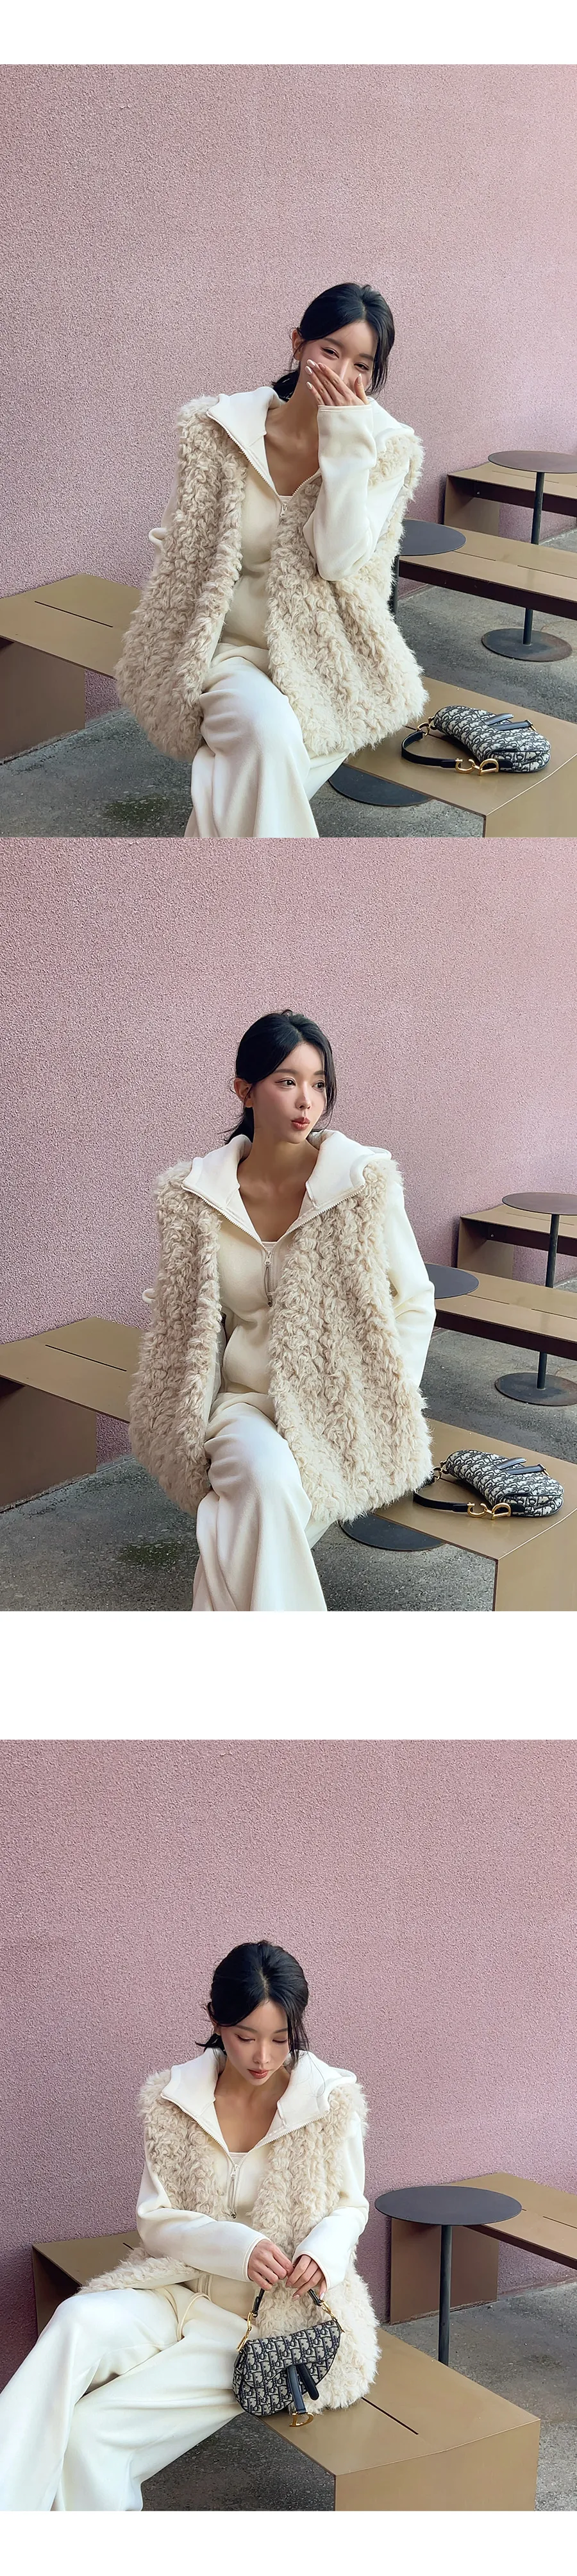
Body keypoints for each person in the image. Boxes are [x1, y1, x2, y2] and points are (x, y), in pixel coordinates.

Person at [0, 1942, 380, 2512]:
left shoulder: (330, 2102)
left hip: (262, 2325)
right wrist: (238, 2246)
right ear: (215, 2021)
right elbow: (156, 2219)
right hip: (174, 2291)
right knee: (75, 2321)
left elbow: (351, 2206)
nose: (263, 2057)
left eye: (281, 2039)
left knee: (91, 2434)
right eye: (246, 2037)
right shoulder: (173, 2101)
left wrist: (322, 2253)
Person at [130, 1010, 436, 1611]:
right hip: (244, 1404)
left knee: (244, 1521)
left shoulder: (360, 1184)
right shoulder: (196, 1198)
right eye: (286, 1081)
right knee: (267, 1481)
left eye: (319, 1083)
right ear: (244, 1090)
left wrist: (383, 1390)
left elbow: (414, 1300)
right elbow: (186, 1324)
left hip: (336, 1404)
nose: (307, 1101)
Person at [115, 281, 427, 837]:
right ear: (299, 343)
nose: (342, 375)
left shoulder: (385, 448)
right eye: (330, 351)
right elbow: (181, 542)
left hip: (324, 654)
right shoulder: (221, 432)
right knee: (269, 734)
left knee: (245, 779)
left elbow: (336, 560)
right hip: (227, 649)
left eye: (361, 365)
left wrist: (346, 448)